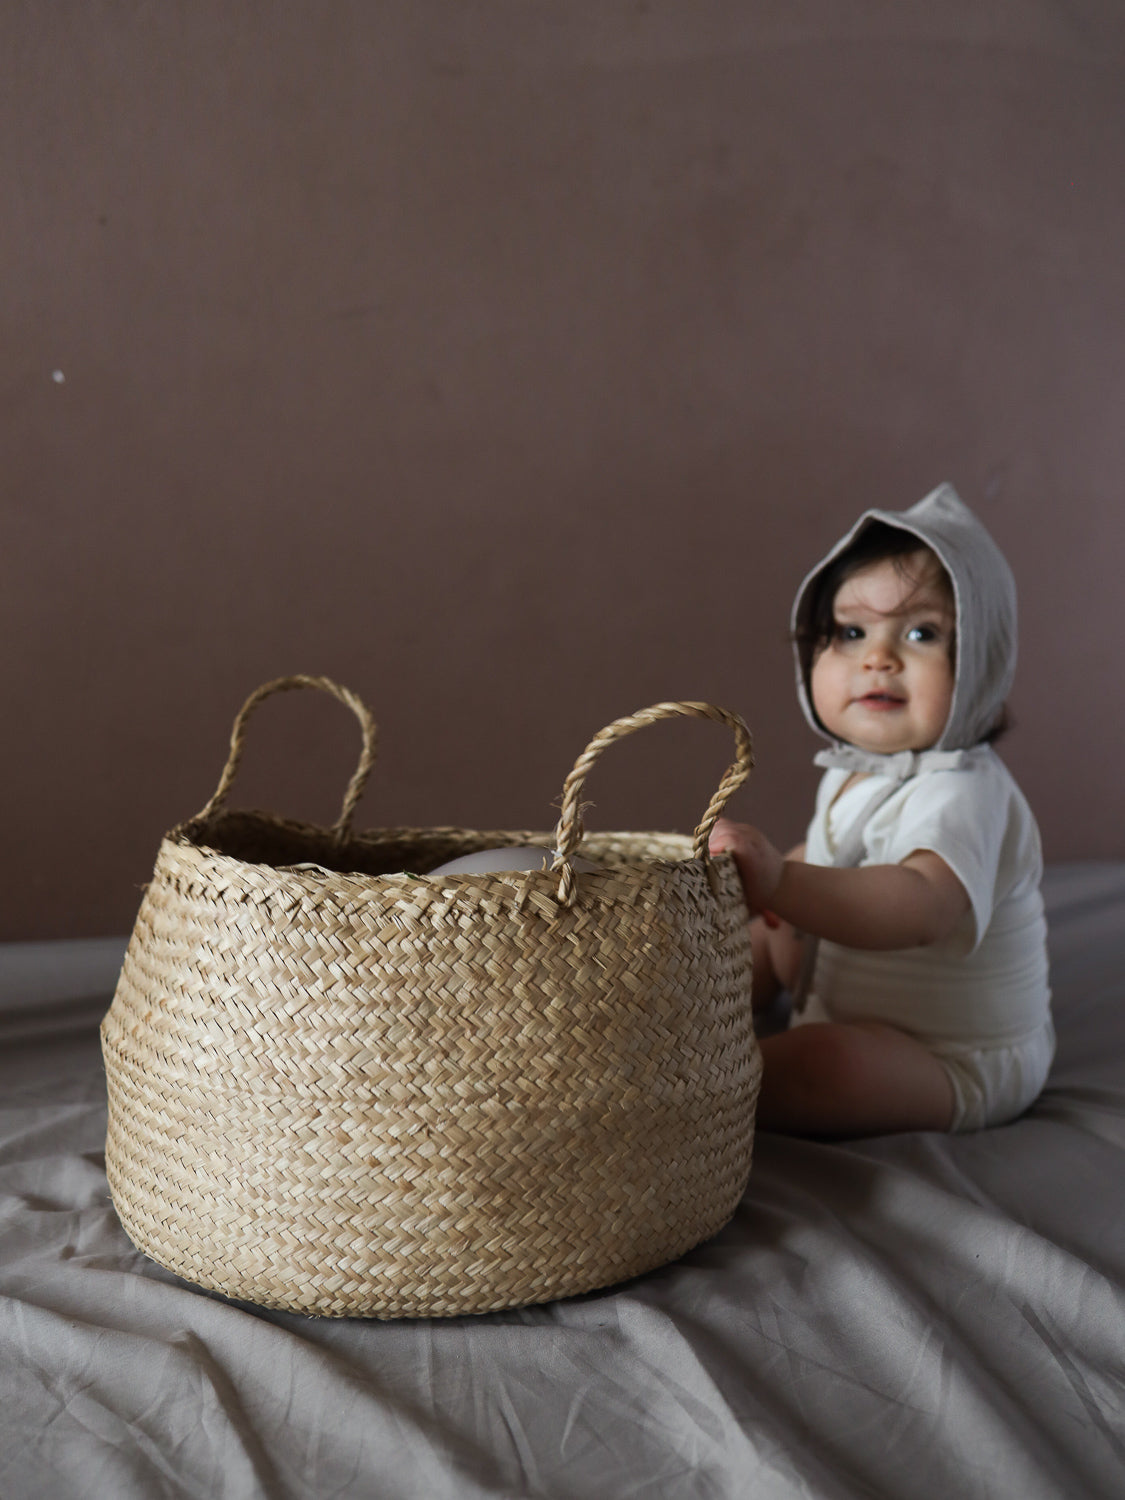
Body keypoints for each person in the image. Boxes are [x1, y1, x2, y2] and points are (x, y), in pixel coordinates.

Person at [710, 483, 1053, 1137]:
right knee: (754, 939)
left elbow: (919, 905)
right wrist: (769, 883)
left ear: (980, 663)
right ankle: (687, 1009)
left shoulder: (965, 790)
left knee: (829, 1067)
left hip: (948, 1056)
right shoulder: (855, 769)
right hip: (831, 994)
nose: (877, 658)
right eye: (850, 632)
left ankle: (701, 1087)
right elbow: (836, 853)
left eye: (921, 633)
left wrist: (783, 882)